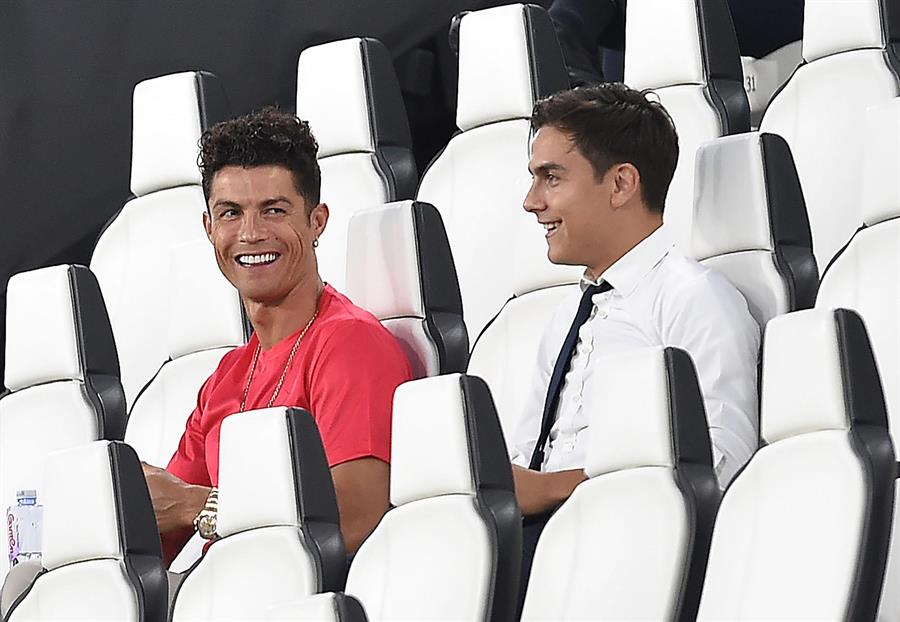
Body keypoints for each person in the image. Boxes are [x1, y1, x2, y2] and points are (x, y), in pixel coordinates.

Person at [511, 84, 760, 590]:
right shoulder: (565, 317)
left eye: (551, 178)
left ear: (622, 183)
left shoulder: (695, 299)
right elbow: (523, 466)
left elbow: (717, 467)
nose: (531, 202)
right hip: (534, 551)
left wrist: (559, 489)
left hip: (620, 562)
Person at [141, 107, 412, 563]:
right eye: (230, 213)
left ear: (317, 221)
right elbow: (160, 525)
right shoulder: (226, 376)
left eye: (274, 211)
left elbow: (353, 521)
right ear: (209, 228)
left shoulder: (348, 343)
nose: (250, 233)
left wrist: (199, 506)